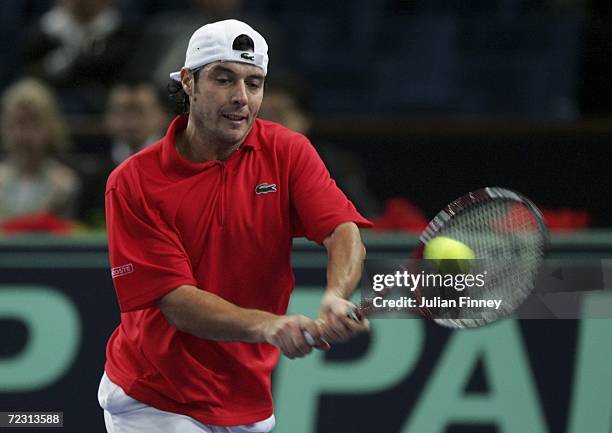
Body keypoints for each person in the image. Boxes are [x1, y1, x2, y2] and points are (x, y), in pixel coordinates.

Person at [98, 19, 372, 433]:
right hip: (154, 398)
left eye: (254, 83)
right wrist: (269, 325)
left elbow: (342, 230)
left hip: (247, 400)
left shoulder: (288, 151)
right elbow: (177, 303)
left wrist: (336, 294)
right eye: (224, 79)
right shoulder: (133, 182)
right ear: (188, 82)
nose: (241, 98)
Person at [0, 77, 80, 224]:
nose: (25, 135)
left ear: (51, 128)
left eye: (34, 123)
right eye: (18, 123)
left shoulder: (66, 184)